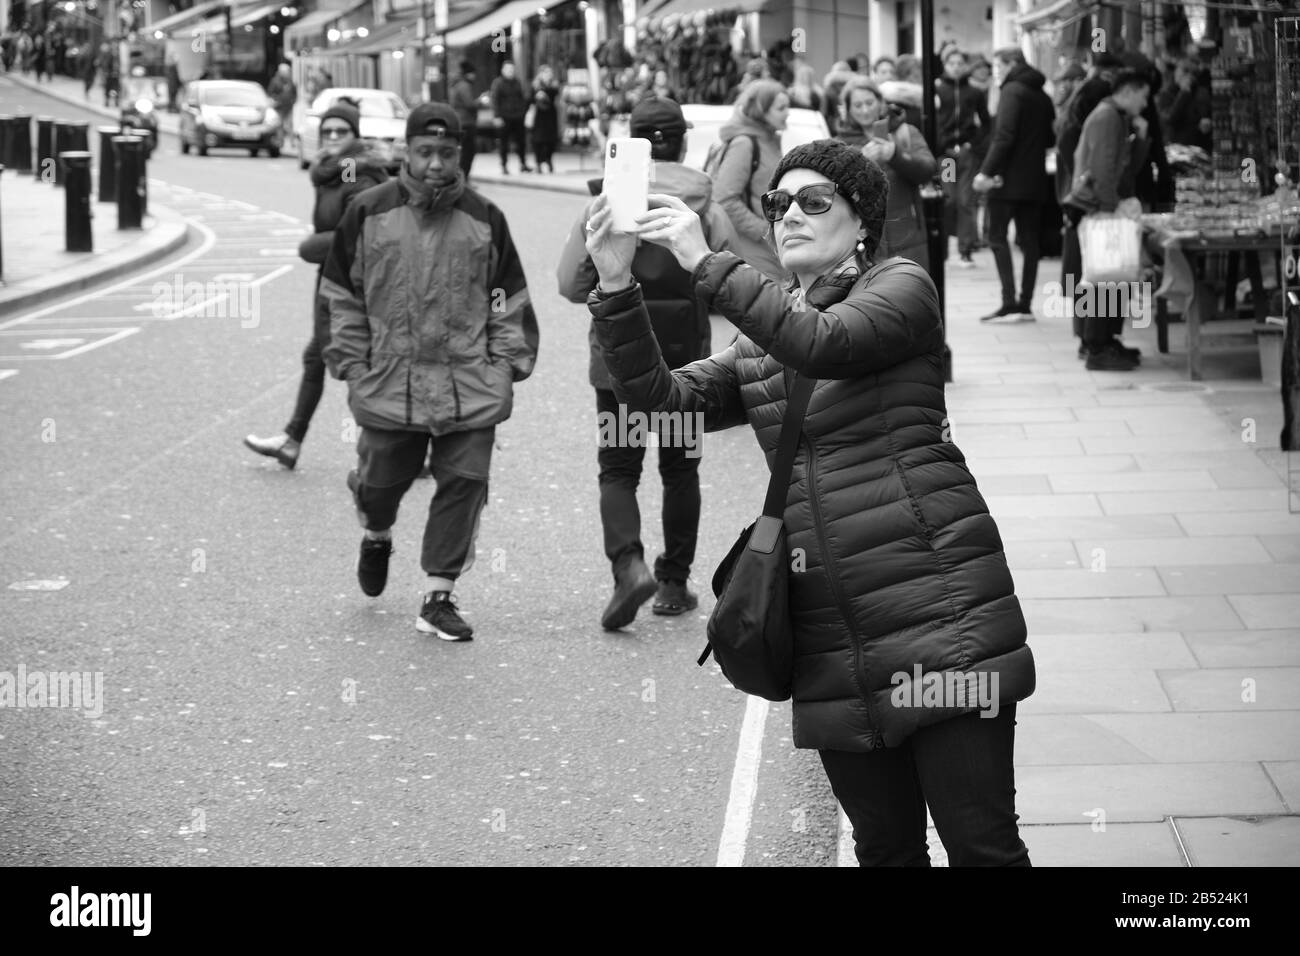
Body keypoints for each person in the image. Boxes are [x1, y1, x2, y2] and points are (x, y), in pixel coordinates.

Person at [583, 139, 1035, 867]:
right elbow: (662, 400)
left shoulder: (901, 287)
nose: (789, 213)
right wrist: (615, 285)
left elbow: (822, 342)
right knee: (884, 847)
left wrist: (706, 262)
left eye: (814, 201)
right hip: (830, 638)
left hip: (939, 612)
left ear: (862, 223)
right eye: (777, 202)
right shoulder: (765, 337)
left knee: (980, 846)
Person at [320, 102, 539, 639]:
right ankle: (376, 530)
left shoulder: (486, 218)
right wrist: (353, 365)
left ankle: (438, 595)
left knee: (464, 483)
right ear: (407, 152)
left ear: (460, 152)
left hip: (469, 385)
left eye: (446, 152)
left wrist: (506, 367)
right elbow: (341, 296)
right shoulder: (368, 211)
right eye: (425, 152)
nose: (436, 164)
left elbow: (506, 300)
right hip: (387, 380)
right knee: (380, 483)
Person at [556, 97, 736, 629]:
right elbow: (725, 280)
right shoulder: (707, 206)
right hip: (685, 367)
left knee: (618, 469)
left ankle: (630, 568)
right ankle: (675, 583)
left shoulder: (601, 205)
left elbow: (570, 285)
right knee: (680, 471)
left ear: (629, 142)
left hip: (619, 364)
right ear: (684, 142)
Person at [244, 100, 389, 470]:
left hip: (351, 284)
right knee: (321, 357)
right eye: (328, 131)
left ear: (356, 135)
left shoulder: (358, 174)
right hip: (330, 277)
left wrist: (312, 246)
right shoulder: (329, 172)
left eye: (343, 131)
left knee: (350, 361)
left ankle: (392, 450)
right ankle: (293, 441)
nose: (335, 137)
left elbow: (360, 233)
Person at [1063, 69, 1151, 371]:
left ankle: (1105, 341)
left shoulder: (1116, 117)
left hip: (1106, 205)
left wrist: (1140, 137)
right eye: (1144, 95)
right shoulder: (1107, 117)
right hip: (1102, 208)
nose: (1146, 102)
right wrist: (1110, 208)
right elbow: (1102, 167)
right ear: (1128, 90)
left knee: (1114, 274)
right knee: (1108, 275)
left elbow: (1128, 167)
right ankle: (1098, 346)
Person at [973, 47, 1055, 321]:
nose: (996, 72)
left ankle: (1009, 301)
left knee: (996, 236)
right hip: (1034, 180)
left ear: (1012, 64)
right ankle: (1026, 303)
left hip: (1004, 180)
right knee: (1030, 241)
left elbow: (1004, 136)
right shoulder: (1042, 95)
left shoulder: (1011, 91)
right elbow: (1050, 140)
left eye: (998, 66)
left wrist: (986, 172)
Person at [836, 77, 937, 269]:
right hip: (863, 239)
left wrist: (895, 155)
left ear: (880, 102)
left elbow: (928, 170)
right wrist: (860, 163)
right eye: (857, 105)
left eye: (869, 102)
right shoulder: (840, 144)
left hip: (908, 233)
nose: (865, 110)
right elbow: (837, 191)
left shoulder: (905, 132)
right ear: (848, 109)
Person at [710, 78, 790, 281]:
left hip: (771, 248)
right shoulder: (744, 143)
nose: (788, 113)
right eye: (781, 108)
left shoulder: (768, 140)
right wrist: (764, 231)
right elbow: (724, 199)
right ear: (761, 111)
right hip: (751, 249)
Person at [936, 48, 990, 267]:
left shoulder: (974, 93)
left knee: (967, 200)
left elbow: (986, 122)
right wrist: (940, 144)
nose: (956, 67)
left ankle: (965, 249)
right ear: (945, 65)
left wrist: (974, 144)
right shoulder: (938, 90)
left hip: (967, 152)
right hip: (947, 154)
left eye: (960, 63)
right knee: (950, 199)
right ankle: (946, 248)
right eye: (952, 63)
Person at [1157, 58, 1211, 151]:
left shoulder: (1201, 93)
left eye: (1192, 73)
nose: (1187, 76)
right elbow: (1169, 118)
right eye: (1184, 71)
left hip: (1198, 146)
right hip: (1175, 147)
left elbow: (1207, 115)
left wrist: (1208, 123)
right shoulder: (1166, 93)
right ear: (1176, 71)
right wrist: (1183, 93)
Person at [491, 61, 532, 174]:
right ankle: (504, 165)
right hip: (504, 117)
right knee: (504, 143)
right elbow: (495, 100)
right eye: (508, 69)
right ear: (503, 70)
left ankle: (523, 163)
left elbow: (523, 97)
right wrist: (497, 116)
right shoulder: (498, 83)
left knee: (521, 141)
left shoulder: (517, 82)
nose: (511, 72)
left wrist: (523, 111)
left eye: (512, 70)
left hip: (518, 116)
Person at [449, 60, 479, 179]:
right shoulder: (464, 85)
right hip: (466, 122)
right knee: (468, 152)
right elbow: (469, 104)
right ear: (469, 74)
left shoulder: (457, 84)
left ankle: (462, 178)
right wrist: (480, 102)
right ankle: (463, 178)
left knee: (463, 152)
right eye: (473, 73)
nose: (475, 76)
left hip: (460, 121)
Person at [529, 64, 561, 174]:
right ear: (540, 74)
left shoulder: (554, 86)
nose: (548, 75)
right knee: (538, 140)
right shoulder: (535, 86)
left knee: (551, 140)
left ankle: (548, 159)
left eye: (550, 73)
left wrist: (545, 92)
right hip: (539, 116)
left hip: (550, 116)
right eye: (546, 73)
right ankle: (538, 163)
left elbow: (555, 96)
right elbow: (530, 100)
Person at [268, 61, 296, 130]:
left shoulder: (290, 81)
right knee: (279, 125)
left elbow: (295, 93)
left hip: (288, 107)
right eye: (286, 72)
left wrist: (292, 101)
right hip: (279, 107)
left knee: (289, 125)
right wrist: (277, 100)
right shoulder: (275, 81)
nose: (288, 73)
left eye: (288, 72)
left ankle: (288, 139)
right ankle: (280, 139)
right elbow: (270, 93)